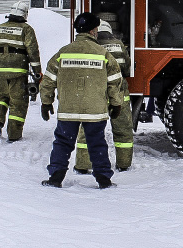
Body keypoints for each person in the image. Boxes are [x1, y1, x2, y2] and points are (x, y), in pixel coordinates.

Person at [40, 13, 124, 189]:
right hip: (94, 111)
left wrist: (46, 102)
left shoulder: (62, 53)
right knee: (97, 143)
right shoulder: (104, 54)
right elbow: (115, 82)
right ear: (94, 31)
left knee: (63, 143)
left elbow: (48, 80)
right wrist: (116, 104)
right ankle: (103, 180)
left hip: (68, 110)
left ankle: (56, 177)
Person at [74, 19, 134, 173]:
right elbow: (127, 68)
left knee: (87, 130)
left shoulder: (91, 46)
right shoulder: (119, 44)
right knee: (123, 130)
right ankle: (124, 164)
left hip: (95, 93)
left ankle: (82, 165)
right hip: (119, 93)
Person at [0, 1, 41, 142]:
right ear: (25, 14)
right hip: (17, 69)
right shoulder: (26, 29)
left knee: (1, 96)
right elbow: (33, 52)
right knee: (18, 101)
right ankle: (14, 134)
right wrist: (37, 72)